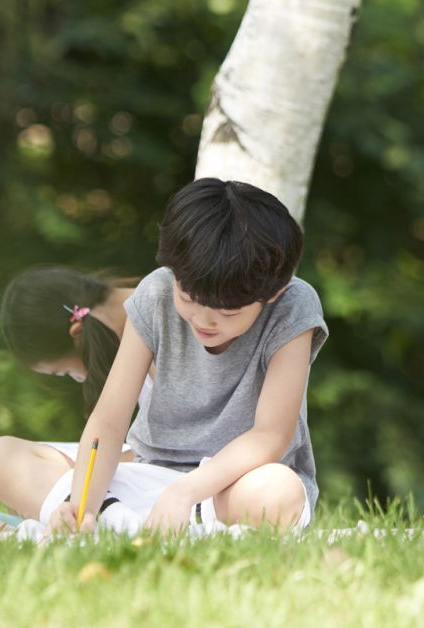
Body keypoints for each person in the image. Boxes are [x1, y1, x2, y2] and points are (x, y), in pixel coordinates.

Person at [49, 178, 328, 534]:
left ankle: (131, 520)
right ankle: (116, 518)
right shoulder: (156, 292)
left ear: (275, 291)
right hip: (151, 473)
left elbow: (269, 437)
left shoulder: (294, 306)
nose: (204, 320)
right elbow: (109, 421)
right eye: (189, 299)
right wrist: (80, 506)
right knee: (4, 458)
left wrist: (183, 494)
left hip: (235, 484)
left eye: (228, 313)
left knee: (277, 492)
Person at [0, 266, 144, 520]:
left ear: (77, 334)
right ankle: (77, 509)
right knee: (1, 456)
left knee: (24, 479)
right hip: (146, 462)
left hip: (177, 470)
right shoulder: (132, 317)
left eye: (65, 372)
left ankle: (91, 517)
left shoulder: (152, 315)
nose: (79, 379)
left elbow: (168, 451)